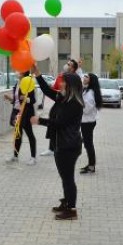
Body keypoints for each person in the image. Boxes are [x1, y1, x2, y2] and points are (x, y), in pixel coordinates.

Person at [30, 65, 84, 220]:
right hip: (61, 143)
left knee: (68, 178)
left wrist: (39, 120)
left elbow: (60, 123)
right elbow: (47, 91)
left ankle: (71, 210)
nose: (60, 84)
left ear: (70, 85)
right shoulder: (64, 97)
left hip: (69, 146)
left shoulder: (74, 104)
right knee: (65, 176)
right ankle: (66, 202)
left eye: (63, 82)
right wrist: (38, 74)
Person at [39, 59, 80, 157]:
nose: (67, 66)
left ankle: (56, 148)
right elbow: (51, 90)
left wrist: (39, 121)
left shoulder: (75, 79)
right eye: (67, 64)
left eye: (69, 65)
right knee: (54, 124)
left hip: (69, 139)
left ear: (73, 68)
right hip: (59, 102)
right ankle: (52, 148)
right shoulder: (62, 76)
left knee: (59, 125)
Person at [4, 71, 37, 165]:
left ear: (23, 74)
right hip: (17, 112)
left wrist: (26, 99)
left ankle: (33, 157)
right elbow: (16, 100)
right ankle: (15, 156)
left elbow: (33, 100)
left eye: (20, 71)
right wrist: (9, 98)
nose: (17, 73)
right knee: (18, 134)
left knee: (30, 134)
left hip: (26, 113)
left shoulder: (28, 83)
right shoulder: (17, 84)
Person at [80, 73, 103, 174]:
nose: (84, 78)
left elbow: (88, 108)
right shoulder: (87, 90)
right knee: (87, 143)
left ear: (91, 80)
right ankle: (90, 164)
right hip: (86, 121)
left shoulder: (90, 93)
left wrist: (79, 107)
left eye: (87, 77)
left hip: (87, 121)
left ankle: (91, 166)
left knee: (88, 144)